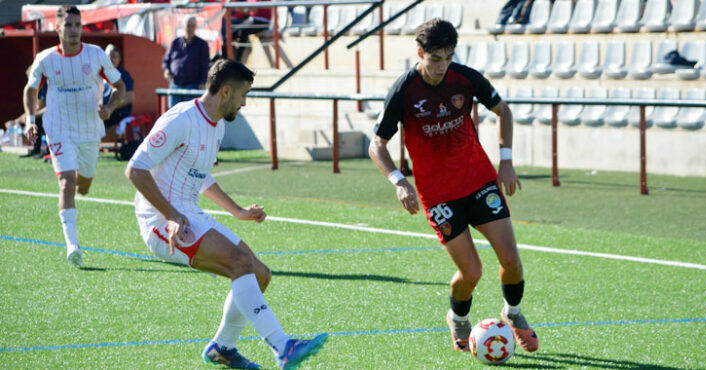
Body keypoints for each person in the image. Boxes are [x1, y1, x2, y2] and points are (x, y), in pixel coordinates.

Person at [125, 59, 327, 369]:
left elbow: (200, 176)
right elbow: (135, 170)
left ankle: (223, 347)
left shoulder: (217, 126)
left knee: (260, 275)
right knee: (241, 264)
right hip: (160, 222)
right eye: (243, 95)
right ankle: (283, 347)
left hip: (189, 213)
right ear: (226, 91)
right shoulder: (181, 119)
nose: (244, 103)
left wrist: (238, 211)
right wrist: (170, 215)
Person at [368, 18, 539, 354]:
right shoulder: (404, 89)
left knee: (511, 259)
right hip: (439, 196)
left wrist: (506, 160)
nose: (442, 66)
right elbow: (377, 144)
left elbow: (503, 111)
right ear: (420, 53)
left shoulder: (465, 77)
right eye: (435, 59)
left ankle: (513, 313)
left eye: (448, 57)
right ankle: (458, 318)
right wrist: (400, 182)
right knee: (471, 272)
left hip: (479, 182)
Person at [24, 5, 126, 267]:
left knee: (84, 186)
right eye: (68, 25)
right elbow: (31, 90)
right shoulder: (45, 59)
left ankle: (80, 181)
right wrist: (29, 119)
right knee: (67, 183)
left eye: (78, 25)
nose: (74, 31)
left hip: (90, 130)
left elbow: (120, 86)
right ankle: (72, 245)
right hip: (58, 128)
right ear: (57, 28)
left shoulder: (95, 56)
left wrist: (110, 107)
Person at [162, 14, 209, 108]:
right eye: (188, 25)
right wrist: (166, 70)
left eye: (192, 26)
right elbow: (166, 60)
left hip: (192, 86)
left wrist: (203, 82)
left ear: (196, 27)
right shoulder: (175, 42)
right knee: (173, 114)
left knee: (189, 114)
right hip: (175, 85)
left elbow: (205, 66)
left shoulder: (202, 44)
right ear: (183, 26)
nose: (190, 28)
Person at [103, 44, 135, 133]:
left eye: (113, 56)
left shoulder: (124, 76)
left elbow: (130, 98)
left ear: (119, 59)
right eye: (108, 56)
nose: (110, 59)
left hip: (118, 113)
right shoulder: (100, 74)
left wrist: (110, 107)